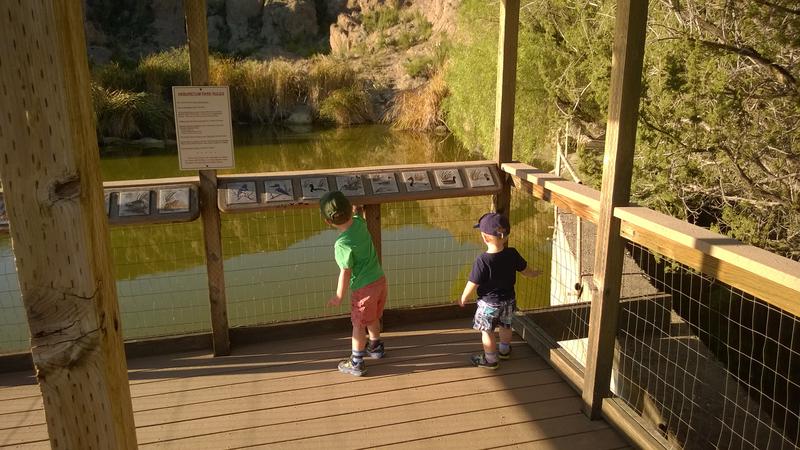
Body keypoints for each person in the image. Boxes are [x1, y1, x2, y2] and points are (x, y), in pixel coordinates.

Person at [458, 212, 541, 369]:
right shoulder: (512, 254)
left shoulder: (482, 260)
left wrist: (464, 297)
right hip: (509, 300)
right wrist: (534, 273)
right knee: (506, 325)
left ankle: (490, 360)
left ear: (484, 237)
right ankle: (504, 350)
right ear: (506, 236)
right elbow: (526, 271)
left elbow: (473, 282)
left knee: (486, 331)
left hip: (488, 304)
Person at [321, 191, 388, 376]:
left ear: (328, 221)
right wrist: (356, 207)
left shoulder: (342, 244)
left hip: (363, 289)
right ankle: (375, 347)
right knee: (372, 317)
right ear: (350, 212)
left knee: (358, 325)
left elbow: (345, 271)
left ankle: (357, 362)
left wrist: (338, 296)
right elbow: (357, 213)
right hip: (380, 281)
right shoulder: (359, 222)